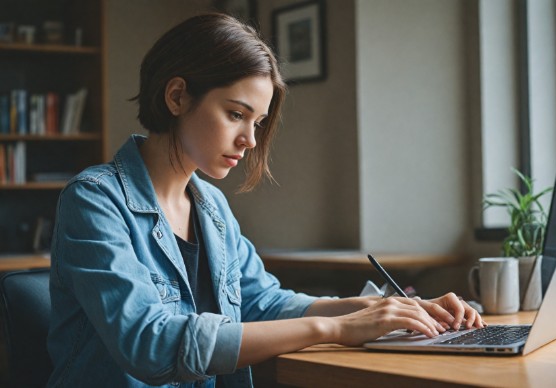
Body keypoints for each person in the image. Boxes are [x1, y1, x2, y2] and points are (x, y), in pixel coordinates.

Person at [47, 13, 485, 388]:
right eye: (236, 114)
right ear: (177, 96)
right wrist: (334, 327)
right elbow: (151, 343)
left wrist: (384, 309)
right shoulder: (96, 200)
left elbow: (264, 304)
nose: (250, 140)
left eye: (256, 121)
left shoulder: (211, 207)